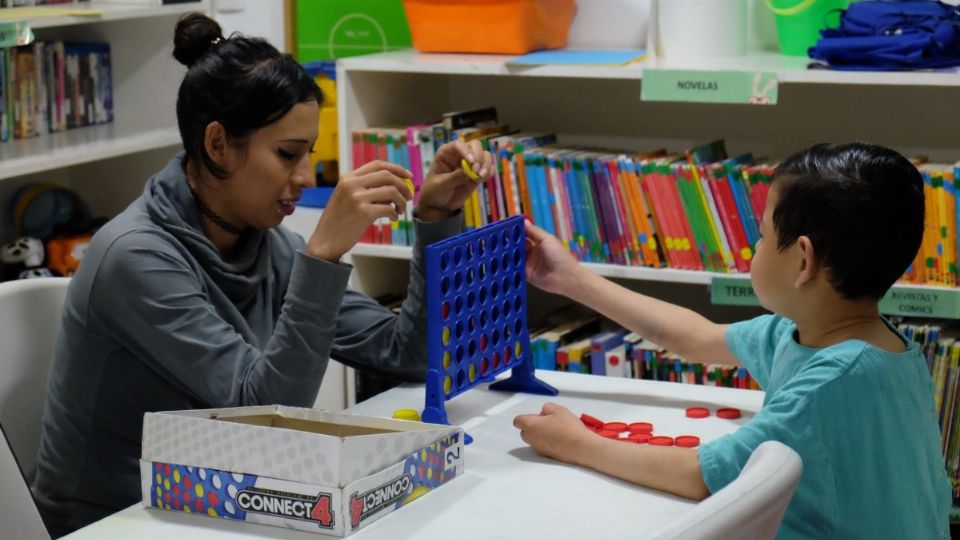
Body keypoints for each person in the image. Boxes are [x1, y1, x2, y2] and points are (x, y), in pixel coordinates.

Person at [32, 13, 494, 537]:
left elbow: (406, 356)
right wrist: (321, 258)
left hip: (219, 498)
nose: (304, 177)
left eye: (308, 155)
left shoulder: (267, 243)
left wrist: (433, 221)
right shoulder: (133, 257)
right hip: (114, 522)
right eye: (287, 155)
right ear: (217, 145)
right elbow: (263, 416)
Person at [513, 142, 951, 538]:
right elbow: (691, 337)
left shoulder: (829, 385)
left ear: (803, 260)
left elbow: (699, 474)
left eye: (759, 238)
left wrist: (575, 444)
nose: (750, 251)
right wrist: (568, 277)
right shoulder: (832, 336)